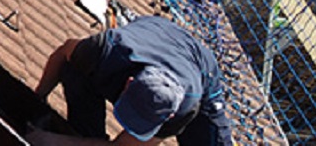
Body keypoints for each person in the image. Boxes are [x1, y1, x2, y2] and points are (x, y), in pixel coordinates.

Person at [30, 15, 232, 145]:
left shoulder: (186, 107)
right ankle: (83, 134)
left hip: (200, 68)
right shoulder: (104, 50)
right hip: (156, 31)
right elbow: (62, 53)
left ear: (169, 116)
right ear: (128, 83)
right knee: (74, 71)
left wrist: (50, 141)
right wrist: (36, 99)